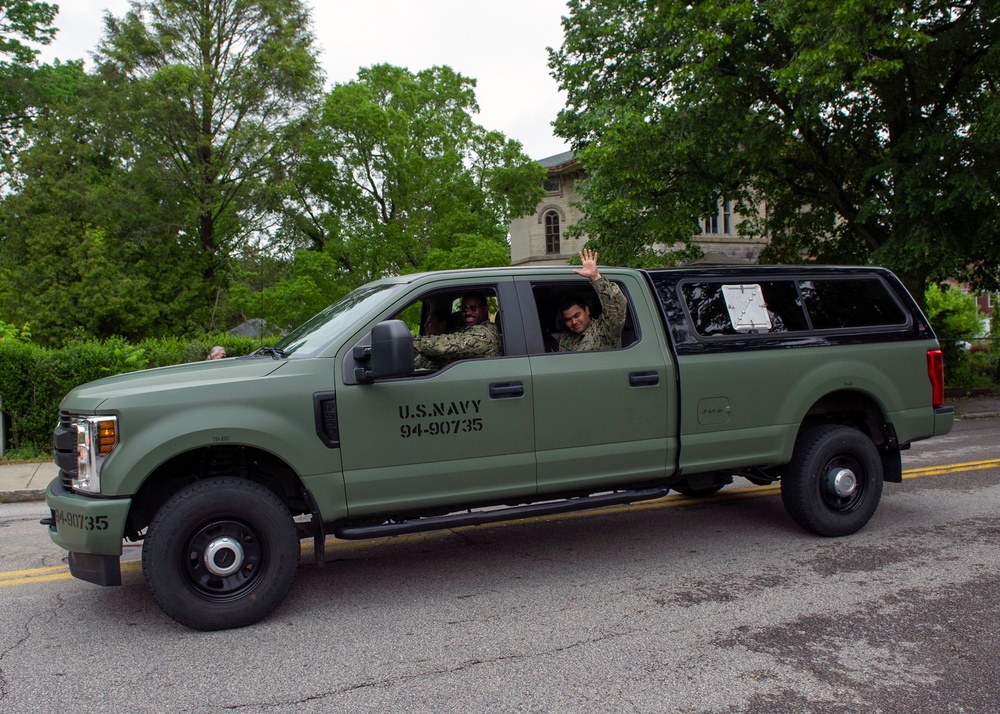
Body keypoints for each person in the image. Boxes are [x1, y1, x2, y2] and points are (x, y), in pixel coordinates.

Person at [558, 248, 627, 352]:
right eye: (568, 319)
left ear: (587, 310)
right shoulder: (565, 339)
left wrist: (595, 277)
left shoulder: (604, 330)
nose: (574, 322)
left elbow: (617, 305)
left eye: (577, 315)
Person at [412, 292, 501, 369]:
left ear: (485, 309)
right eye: (464, 308)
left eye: (473, 308)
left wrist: (410, 342)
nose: (468, 312)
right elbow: (443, 357)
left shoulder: (485, 333)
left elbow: (447, 344)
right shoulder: (465, 330)